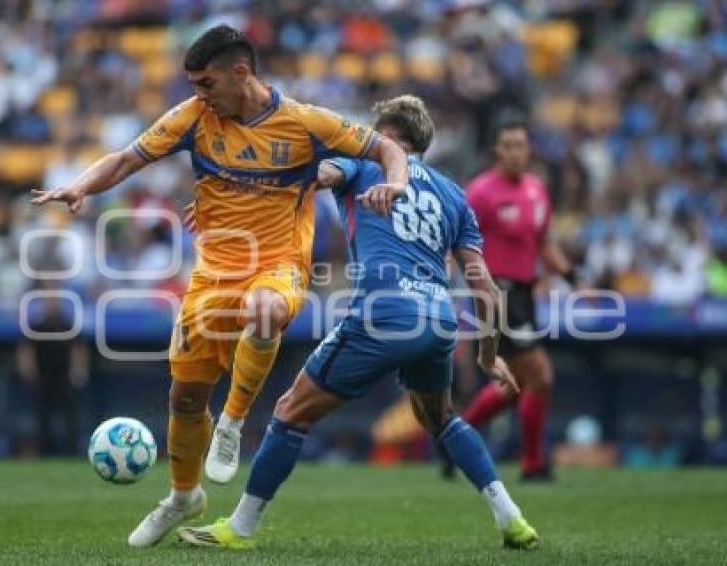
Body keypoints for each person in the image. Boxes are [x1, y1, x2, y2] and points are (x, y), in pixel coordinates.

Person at [30, 25, 408, 546]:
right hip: (213, 273)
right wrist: (79, 186)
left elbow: (387, 149)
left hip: (278, 262)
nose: (199, 94)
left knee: (265, 309)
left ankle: (231, 424)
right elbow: (126, 159)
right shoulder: (194, 117)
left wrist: (396, 183)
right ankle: (183, 496)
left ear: (240, 72)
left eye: (206, 83)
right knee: (185, 397)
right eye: (193, 85)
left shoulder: (305, 123)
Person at [177, 95, 539, 550]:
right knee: (442, 417)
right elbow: (484, 286)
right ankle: (512, 518)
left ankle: (240, 528)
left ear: (382, 137)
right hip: (438, 319)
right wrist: (488, 357)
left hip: (383, 314)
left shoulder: (363, 162)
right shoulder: (453, 195)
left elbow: (316, 174)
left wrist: (232, 198)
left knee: (289, 411)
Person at [451, 116, 576, 481]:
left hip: (525, 293)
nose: (515, 152)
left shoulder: (537, 190)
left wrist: (572, 277)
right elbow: (456, 241)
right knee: (541, 376)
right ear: (496, 150)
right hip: (498, 293)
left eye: (520, 145)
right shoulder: (480, 193)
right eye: (508, 146)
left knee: (514, 385)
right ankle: (533, 464)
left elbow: (544, 243)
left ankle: (454, 439)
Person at [16, 293, 89, 456]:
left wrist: (78, 371)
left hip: (65, 378)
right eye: (49, 302)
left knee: (71, 418)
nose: (52, 305)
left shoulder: (68, 326)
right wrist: (27, 370)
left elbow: (78, 349)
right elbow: (26, 348)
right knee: (43, 418)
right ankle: (44, 452)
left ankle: (73, 452)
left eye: (55, 302)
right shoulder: (36, 326)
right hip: (44, 377)